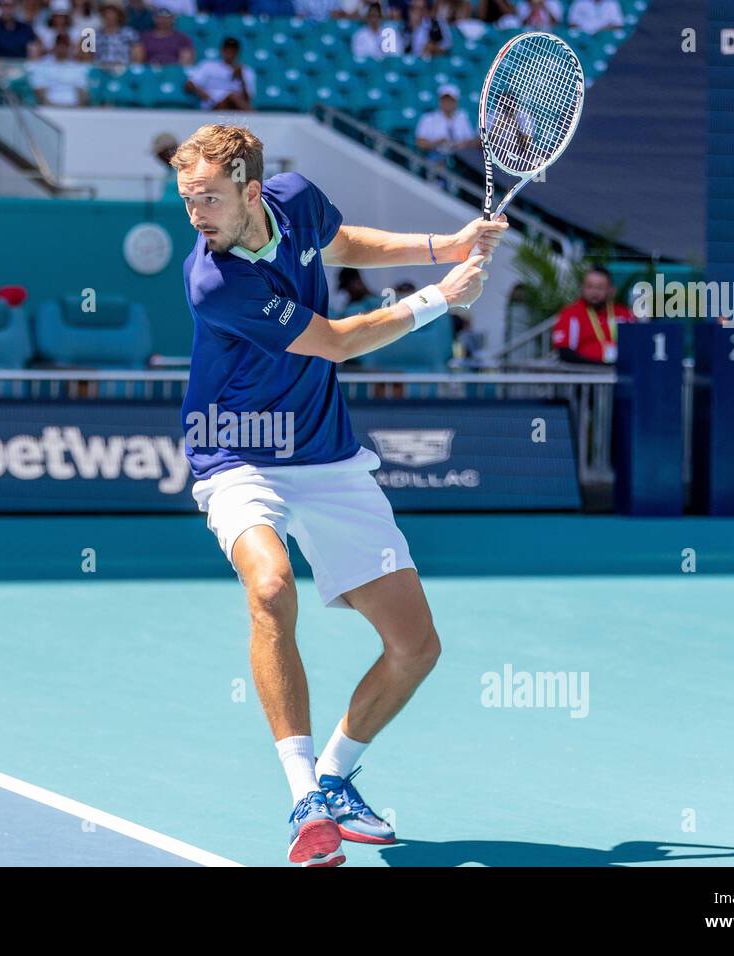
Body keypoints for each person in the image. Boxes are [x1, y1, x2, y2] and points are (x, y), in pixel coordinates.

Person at [172, 123, 507, 866]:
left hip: (326, 456)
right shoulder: (215, 279)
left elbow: (344, 243)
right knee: (270, 585)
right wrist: (437, 299)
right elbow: (336, 341)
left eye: (208, 199)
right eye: (187, 200)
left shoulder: (294, 200)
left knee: (416, 646)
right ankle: (303, 799)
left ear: (253, 191)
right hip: (238, 455)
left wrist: (445, 246)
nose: (195, 215)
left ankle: (335, 775)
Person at [550, 265, 635, 364]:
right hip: (583, 373)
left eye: (600, 288)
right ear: (582, 288)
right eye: (589, 287)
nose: (594, 292)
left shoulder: (624, 314)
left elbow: (636, 345)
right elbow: (564, 352)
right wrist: (597, 365)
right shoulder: (570, 314)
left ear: (611, 290)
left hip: (621, 373)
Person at [184, 36, 254, 111]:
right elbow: (189, 84)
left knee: (233, 97)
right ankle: (255, 118)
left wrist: (241, 79)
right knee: (232, 97)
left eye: (233, 50)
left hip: (235, 107)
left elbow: (248, 98)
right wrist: (203, 94)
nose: (230, 52)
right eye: (227, 49)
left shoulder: (245, 71)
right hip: (212, 104)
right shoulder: (208, 66)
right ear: (222, 50)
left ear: (237, 52)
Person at [27, 32, 89, 104]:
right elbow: (39, 91)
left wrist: (77, 109)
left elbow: (82, 91)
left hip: (73, 107)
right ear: (55, 46)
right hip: (49, 107)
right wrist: (51, 107)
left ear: (69, 48)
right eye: (59, 45)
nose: (61, 48)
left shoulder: (78, 67)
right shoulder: (43, 66)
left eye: (65, 46)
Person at [93, 1, 139, 68]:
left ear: (119, 15)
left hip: (123, 71)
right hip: (100, 71)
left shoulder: (129, 34)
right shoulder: (95, 34)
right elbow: (87, 58)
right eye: (106, 12)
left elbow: (137, 55)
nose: (109, 15)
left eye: (113, 12)